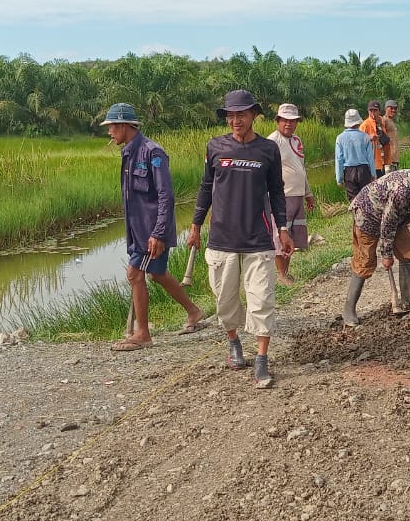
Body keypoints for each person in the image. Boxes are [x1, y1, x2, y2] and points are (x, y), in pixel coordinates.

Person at [188, 90, 292, 389]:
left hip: (258, 240)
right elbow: (206, 187)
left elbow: (277, 191)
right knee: (225, 302)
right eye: (231, 115)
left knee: (261, 300)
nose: (236, 120)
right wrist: (195, 226)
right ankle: (234, 342)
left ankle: (261, 358)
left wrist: (282, 228)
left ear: (253, 115)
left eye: (241, 115)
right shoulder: (215, 147)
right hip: (221, 239)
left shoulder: (268, 150)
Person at [101, 102, 205, 351]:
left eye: (112, 126)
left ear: (124, 125)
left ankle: (142, 334)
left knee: (134, 274)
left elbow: (165, 195)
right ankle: (194, 311)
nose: (109, 132)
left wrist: (158, 233)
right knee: (156, 274)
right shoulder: (128, 153)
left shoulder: (152, 152)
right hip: (137, 230)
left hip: (152, 232)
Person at [342, 168, 410, 326]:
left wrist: (396, 239)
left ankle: (409, 300)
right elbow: (387, 224)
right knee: (364, 262)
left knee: (408, 254)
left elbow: (399, 219)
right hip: (367, 215)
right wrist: (387, 254)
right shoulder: (400, 191)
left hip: (396, 219)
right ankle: (349, 310)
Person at [266, 103, 315, 286]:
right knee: (280, 234)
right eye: (284, 120)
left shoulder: (296, 141)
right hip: (282, 196)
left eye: (292, 121)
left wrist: (308, 193)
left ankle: (286, 272)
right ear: (278, 121)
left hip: (297, 195)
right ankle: (281, 274)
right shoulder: (272, 141)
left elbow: (301, 168)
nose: (288, 124)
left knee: (292, 235)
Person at [335, 108, 377, 201]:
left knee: (353, 200)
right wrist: (373, 174)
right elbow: (370, 158)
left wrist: (339, 178)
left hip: (349, 172)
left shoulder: (340, 138)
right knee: (366, 198)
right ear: (358, 122)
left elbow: (339, 160)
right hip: (364, 171)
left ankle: (355, 210)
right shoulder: (365, 137)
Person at [359, 100, 390, 176]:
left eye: (375, 110)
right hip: (372, 164)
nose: (373, 112)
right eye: (371, 110)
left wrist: (388, 162)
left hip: (383, 162)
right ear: (368, 111)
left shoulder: (381, 122)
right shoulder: (365, 125)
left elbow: (386, 142)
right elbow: (359, 143)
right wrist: (369, 138)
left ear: (379, 111)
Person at [381, 99, 401, 172]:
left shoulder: (391, 121)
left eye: (395, 108)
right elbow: (382, 138)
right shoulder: (383, 120)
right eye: (391, 108)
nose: (393, 110)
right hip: (388, 158)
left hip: (394, 157)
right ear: (386, 108)